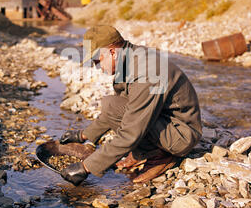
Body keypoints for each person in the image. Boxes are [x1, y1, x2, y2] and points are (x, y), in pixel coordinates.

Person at [60, 25, 202, 186]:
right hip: (165, 120)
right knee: (111, 104)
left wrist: (86, 167)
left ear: (112, 52)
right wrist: (84, 135)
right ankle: (143, 152)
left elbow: (130, 131)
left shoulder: (146, 73)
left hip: (181, 134)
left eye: (98, 61)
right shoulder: (129, 59)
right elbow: (118, 109)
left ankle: (160, 156)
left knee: (118, 110)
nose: (98, 67)